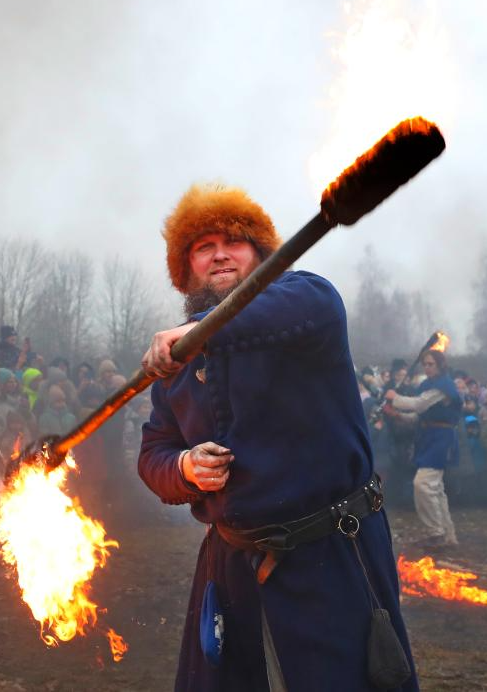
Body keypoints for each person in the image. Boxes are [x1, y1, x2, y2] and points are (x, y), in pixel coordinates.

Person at [138, 184, 415, 691]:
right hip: (229, 565)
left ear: (261, 253)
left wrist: (199, 329)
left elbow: (303, 302)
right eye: (203, 246)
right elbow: (154, 452)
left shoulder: (306, 309)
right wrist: (184, 468)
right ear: (187, 267)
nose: (220, 253)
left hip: (329, 553)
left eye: (234, 241)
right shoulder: (180, 360)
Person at [386, 350, 462, 547]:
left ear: (440, 366)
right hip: (428, 438)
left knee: (423, 484)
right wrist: (397, 415)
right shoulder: (427, 385)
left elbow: (419, 405)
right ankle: (448, 534)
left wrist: (395, 397)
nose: (427, 368)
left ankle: (436, 531)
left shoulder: (444, 386)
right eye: (425, 364)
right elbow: (420, 416)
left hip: (441, 439)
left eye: (431, 364)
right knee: (436, 489)